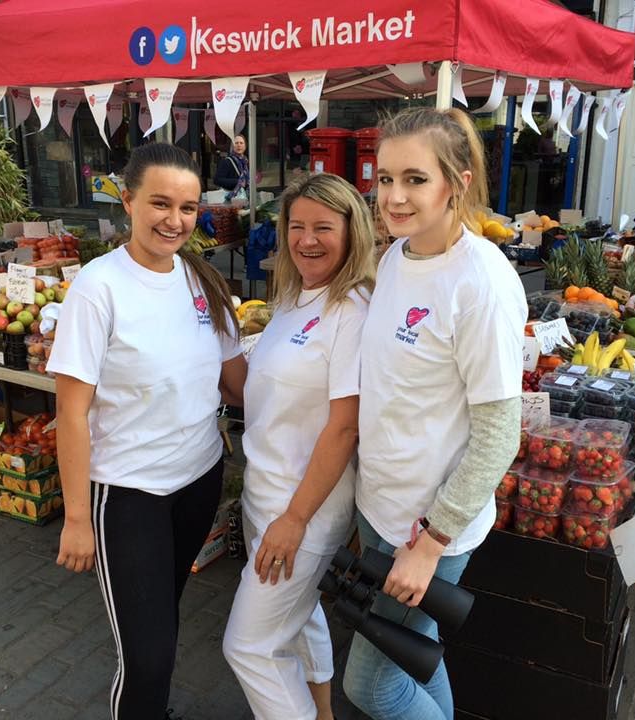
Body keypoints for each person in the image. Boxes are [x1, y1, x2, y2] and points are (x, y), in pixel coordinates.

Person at [47, 143, 247, 720]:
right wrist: (78, 518)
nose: (174, 220)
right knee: (148, 657)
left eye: (188, 208)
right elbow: (72, 414)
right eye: (160, 203)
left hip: (199, 480)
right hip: (127, 495)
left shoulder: (203, 280)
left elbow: (237, 386)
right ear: (128, 200)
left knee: (164, 621)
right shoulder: (97, 287)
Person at [342, 107, 528, 720]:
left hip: (427, 529)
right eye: (385, 177)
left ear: (460, 182)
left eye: (415, 180)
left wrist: (430, 543)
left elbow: (500, 435)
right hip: (381, 506)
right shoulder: (398, 256)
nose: (393, 197)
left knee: (370, 686)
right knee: (414, 651)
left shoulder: (482, 283)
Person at [223, 173, 376, 720]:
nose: (307, 239)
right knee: (301, 614)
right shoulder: (292, 296)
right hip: (266, 494)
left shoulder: (353, 312)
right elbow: (254, 393)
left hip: (302, 509)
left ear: (352, 231)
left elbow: (344, 428)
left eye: (323, 228)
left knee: (250, 647)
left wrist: (294, 519)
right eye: (297, 226)